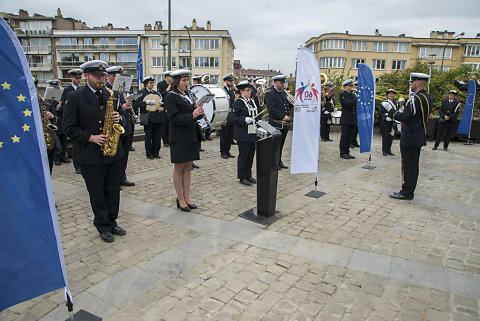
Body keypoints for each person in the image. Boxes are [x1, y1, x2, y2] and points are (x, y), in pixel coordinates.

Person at [62, 60, 126, 242]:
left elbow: (121, 117)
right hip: (91, 154)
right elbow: (68, 127)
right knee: (97, 192)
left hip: (113, 152)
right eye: (97, 76)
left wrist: (118, 118)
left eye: (103, 76)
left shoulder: (109, 94)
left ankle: (112, 221)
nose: (101, 79)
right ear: (86, 76)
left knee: (113, 190)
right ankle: (102, 225)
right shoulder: (75, 97)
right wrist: (91, 137)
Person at [383, 72, 433, 200]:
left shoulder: (415, 99)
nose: (411, 85)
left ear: (418, 83)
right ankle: (408, 190)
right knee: (413, 165)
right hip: (418, 135)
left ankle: (407, 192)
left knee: (409, 165)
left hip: (410, 136)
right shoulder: (427, 97)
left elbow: (404, 117)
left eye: (412, 82)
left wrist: (391, 111)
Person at [164, 69, 203, 211]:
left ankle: (187, 197)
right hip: (179, 137)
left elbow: (192, 115)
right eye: (184, 80)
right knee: (179, 168)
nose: (187, 83)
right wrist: (192, 115)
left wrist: (198, 113)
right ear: (176, 82)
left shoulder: (188, 95)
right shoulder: (171, 97)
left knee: (188, 168)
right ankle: (180, 198)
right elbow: (173, 119)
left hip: (190, 135)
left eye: (187, 80)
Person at [105, 66, 135, 187]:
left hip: (124, 125)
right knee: (115, 156)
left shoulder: (119, 90)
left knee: (124, 155)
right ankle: (114, 180)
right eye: (115, 77)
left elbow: (122, 107)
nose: (118, 79)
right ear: (109, 77)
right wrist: (122, 108)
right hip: (112, 127)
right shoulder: (105, 89)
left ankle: (122, 177)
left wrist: (126, 106)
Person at [229, 80, 259, 186]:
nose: (249, 92)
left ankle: (248, 175)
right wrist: (244, 119)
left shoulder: (251, 101)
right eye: (247, 90)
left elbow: (257, 114)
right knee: (244, 156)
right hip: (243, 134)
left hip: (252, 133)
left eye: (250, 90)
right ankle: (242, 177)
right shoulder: (238, 103)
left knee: (251, 155)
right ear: (241, 91)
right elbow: (232, 118)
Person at [265, 74, 293, 169]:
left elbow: (285, 106)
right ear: (276, 82)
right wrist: (282, 116)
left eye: (283, 83)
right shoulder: (270, 93)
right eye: (281, 83)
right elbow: (271, 109)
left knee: (281, 145)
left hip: (284, 124)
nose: (283, 85)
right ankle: (273, 163)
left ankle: (278, 161)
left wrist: (292, 104)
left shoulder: (283, 93)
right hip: (276, 123)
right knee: (275, 145)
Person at [134, 76, 163, 159]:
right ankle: (149, 153)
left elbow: (161, 103)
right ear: (146, 84)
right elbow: (136, 104)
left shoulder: (156, 93)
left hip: (157, 116)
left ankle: (156, 152)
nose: (152, 84)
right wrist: (147, 102)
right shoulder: (141, 92)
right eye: (150, 83)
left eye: (153, 82)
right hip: (147, 116)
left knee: (157, 136)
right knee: (148, 136)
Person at [60, 69, 83, 174]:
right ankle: (77, 165)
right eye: (76, 78)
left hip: (82, 120)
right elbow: (64, 106)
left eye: (79, 78)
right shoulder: (67, 90)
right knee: (75, 145)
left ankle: (82, 163)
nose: (79, 80)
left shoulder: (82, 89)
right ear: (71, 78)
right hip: (74, 119)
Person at [339, 79, 357, 159]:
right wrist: (356, 98)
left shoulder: (353, 95)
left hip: (352, 119)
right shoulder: (342, 94)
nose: (350, 87)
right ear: (345, 86)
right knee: (344, 136)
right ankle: (342, 152)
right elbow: (347, 103)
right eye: (349, 86)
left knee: (350, 137)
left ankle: (347, 151)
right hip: (346, 119)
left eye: (351, 86)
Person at [220, 73, 236, 159]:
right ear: (225, 81)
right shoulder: (223, 91)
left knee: (230, 134)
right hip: (225, 115)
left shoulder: (232, 90)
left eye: (232, 80)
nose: (231, 82)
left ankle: (228, 150)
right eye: (230, 81)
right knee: (224, 135)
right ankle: (223, 152)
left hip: (231, 115)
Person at [380, 89, 398, 156]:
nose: (391, 95)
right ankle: (384, 150)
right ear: (387, 95)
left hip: (393, 121)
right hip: (386, 122)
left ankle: (389, 149)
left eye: (392, 94)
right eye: (390, 94)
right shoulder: (385, 102)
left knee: (391, 136)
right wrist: (385, 117)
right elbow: (381, 112)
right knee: (385, 136)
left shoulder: (395, 102)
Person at [157, 70, 173, 147]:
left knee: (170, 124)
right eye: (171, 76)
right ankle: (165, 140)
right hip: (164, 106)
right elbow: (160, 95)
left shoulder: (173, 84)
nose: (172, 78)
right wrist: (167, 89)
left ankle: (170, 139)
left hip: (171, 106)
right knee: (165, 124)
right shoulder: (160, 84)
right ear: (166, 77)